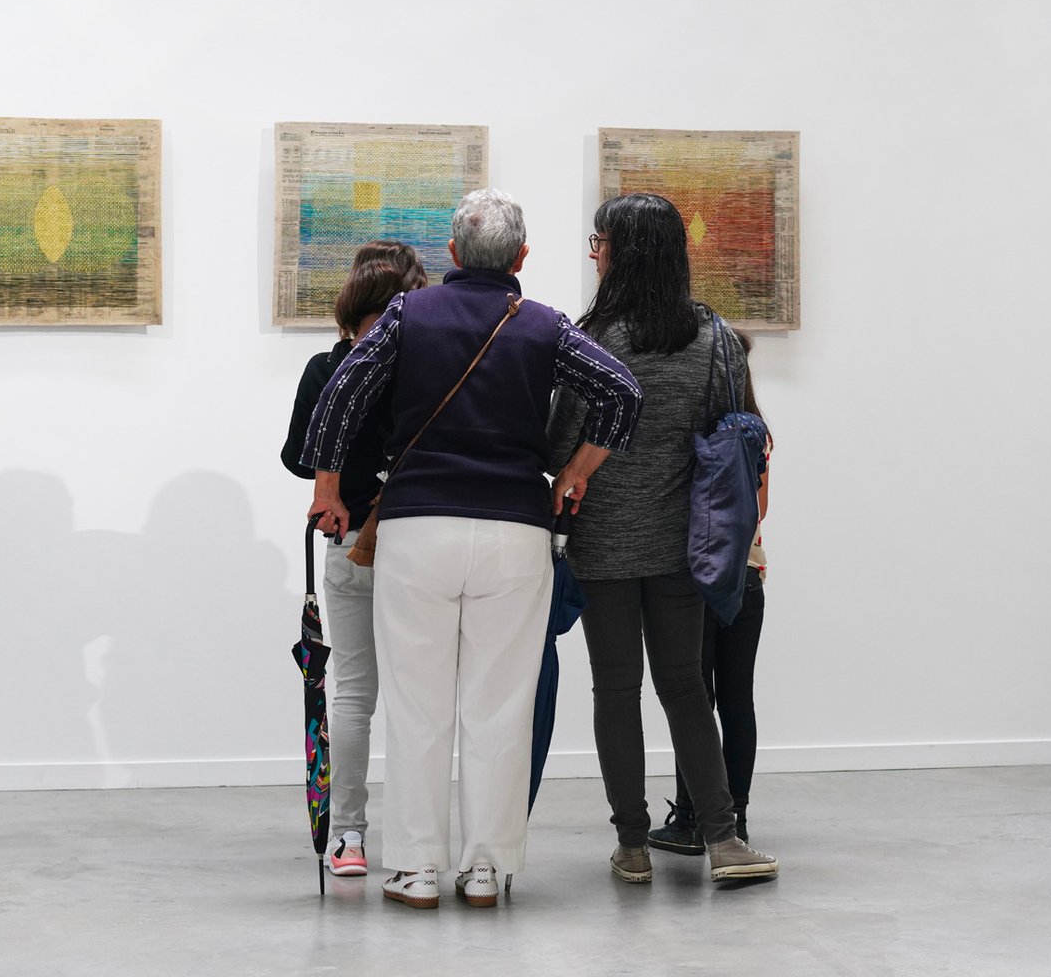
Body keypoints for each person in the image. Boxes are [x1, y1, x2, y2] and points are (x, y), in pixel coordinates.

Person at [302, 189, 643, 910]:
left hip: (417, 530)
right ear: (522, 258)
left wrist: (328, 489)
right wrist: (575, 475)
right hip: (515, 534)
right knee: (501, 705)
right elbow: (621, 392)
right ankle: (486, 869)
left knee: (417, 703)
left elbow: (341, 394)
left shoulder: (405, 314)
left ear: (453, 255)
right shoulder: (546, 325)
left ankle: (416, 871)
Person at [550, 193, 779, 884]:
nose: (592, 251)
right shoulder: (714, 339)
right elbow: (741, 439)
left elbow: (560, 444)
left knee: (615, 690)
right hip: (687, 545)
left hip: (603, 546)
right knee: (685, 687)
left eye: (598, 240)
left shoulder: (589, 340)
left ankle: (633, 845)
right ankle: (723, 838)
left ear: (620, 250)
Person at [281, 240, 427, 879]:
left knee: (354, 696)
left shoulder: (327, 367)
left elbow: (296, 455)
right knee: (422, 700)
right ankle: (422, 843)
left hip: (349, 542)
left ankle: (348, 838)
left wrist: (339, 482)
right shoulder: (424, 372)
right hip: (422, 545)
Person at [651, 328, 770, 854]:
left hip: (695, 579)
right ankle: (736, 818)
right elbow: (761, 510)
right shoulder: (754, 431)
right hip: (746, 574)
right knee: (737, 697)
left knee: (691, 698)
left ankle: (693, 818)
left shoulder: (692, 433)